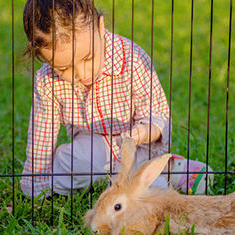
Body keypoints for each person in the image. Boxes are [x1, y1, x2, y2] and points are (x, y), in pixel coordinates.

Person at [21, 0, 213, 197]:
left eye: (88, 58)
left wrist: (143, 132)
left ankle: (165, 168)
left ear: (100, 27)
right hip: (92, 147)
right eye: (63, 69)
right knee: (67, 164)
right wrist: (36, 188)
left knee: (149, 192)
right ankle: (131, 180)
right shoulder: (46, 81)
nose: (82, 73)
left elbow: (159, 116)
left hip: (137, 147)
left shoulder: (133, 59)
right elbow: (41, 139)